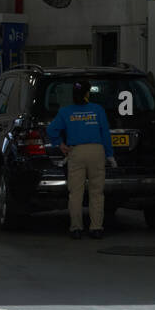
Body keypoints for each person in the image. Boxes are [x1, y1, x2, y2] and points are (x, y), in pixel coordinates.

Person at [46, 78, 117, 240]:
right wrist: (109, 154)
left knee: (75, 193)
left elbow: (51, 130)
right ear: (87, 94)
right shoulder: (97, 110)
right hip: (96, 151)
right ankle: (96, 228)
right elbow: (105, 134)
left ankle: (76, 228)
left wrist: (60, 144)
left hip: (76, 152)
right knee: (96, 192)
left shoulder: (65, 112)